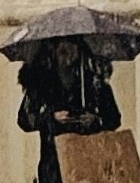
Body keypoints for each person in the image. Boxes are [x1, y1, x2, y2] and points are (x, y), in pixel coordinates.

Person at [15, 35, 122, 183]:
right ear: (52, 50)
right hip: (53, 165)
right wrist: (50, 118)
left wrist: (95, 120)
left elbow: (114, 120)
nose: (66, 50)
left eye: (73, 44)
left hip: (87, 163)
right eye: (61, 45)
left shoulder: (94, 84)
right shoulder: (41, 84)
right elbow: (24, 120)